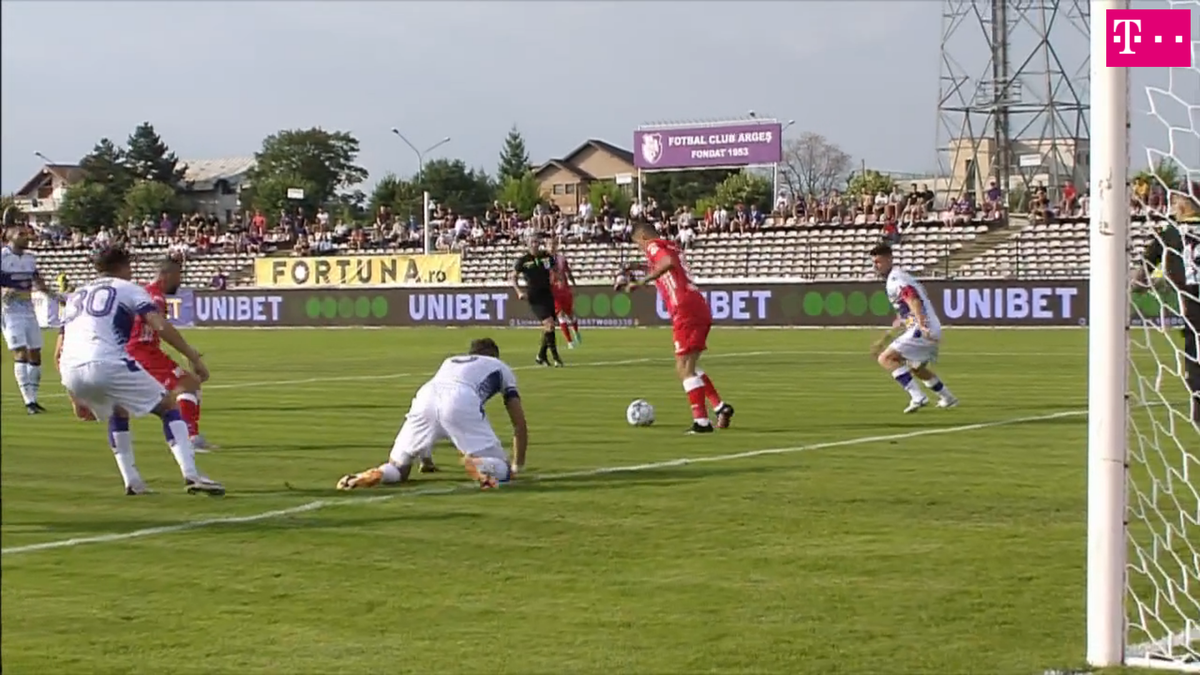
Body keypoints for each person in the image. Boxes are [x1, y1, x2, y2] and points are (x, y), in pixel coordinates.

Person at [58, 246, 224, 496]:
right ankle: (191, 474)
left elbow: (59, 348)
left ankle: (133, 482)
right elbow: (159, 325)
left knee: (118, 410)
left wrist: (73, 395)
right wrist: (193, 357)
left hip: (70, 367)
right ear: (125, 266)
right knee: (168, 406)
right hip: (106, 361)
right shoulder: (130, 289)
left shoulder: (76, 295)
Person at [336, 338, 528, 491]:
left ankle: (371, 475)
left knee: (398, 469)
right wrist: (516, 467)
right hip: (461, 399)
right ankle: (478, 464)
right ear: (495, 355)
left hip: (425, 396)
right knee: (502, 471)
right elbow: (519, 424)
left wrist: (426, 461)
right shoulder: (500, 367)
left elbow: (435, 416)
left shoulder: (450, 361)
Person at [625, 220, 734, 433]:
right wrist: (636, 268)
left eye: (638, 243)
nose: (640, 248)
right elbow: (667, 265)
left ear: (643, 237)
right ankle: (720, 407)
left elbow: (666, 262)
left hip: (684, 308)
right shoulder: (670, 244)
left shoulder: (655, 246)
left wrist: (641, 281)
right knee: (690, 367)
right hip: (696, 305)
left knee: (683, 368)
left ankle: (701, 422)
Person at [127, 256, 216, 451]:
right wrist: (191, 355)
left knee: (187, 384)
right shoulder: (154, 297)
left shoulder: (143, 293)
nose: (180, 281)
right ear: (166, 275)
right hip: (142, 352)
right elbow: (161, 328)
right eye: (179, 275)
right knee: (187, 385)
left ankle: (189, 436)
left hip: (140, 351)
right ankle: (190, 439)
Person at [868, 244, 958, 413]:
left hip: (922, 328)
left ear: (889, 259)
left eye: (878, 262)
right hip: (928, 327)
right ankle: (948, 398)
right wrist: (884, 339)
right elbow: (904, 315)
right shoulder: (899, 277)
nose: (875, 266)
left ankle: (917, 396)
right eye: (873, 262)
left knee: (886, 359)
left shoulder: (896, 279)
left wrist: (922, 324)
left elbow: (913, 299)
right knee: (916, 367)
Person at [1134, 193, 1200, 424]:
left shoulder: (1172, 230)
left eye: (1174, 204)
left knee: (1194, 348)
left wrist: (1139, 284)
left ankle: (1198, 401)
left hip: (1191, 298)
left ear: (1182, 206)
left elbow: (1149, 259)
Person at [1, 225, 62, 414]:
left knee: (36, 353)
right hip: (9, 311)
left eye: (27, 234)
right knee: (21, 353)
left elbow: (39, 282)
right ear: (9, 237)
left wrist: (57, 297)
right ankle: (29, 402)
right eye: (21, 234)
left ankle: (34, 399)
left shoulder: (30, 259)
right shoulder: (2, 256)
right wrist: (3, 291)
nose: (26, 237)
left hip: (29, 310)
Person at [510, 235, 562, 367]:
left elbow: (555, 269)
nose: (535, 244)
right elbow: (513, 277)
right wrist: (519, 292)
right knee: (549, 324)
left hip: (547, 294)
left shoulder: (546, 257)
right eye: (532, 242)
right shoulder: (523, 260)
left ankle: (541, 356)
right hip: (535, 297)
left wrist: (556, 279)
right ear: (528, 244)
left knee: (549, 327)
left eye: (537, 242)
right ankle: (556, 357)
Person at [548, 237, 580, 348]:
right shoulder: (544, 261)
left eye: (553, 244)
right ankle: (569, 341)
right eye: (550, 244)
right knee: (560, 315)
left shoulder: (561, 258)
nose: (552, 247)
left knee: (570, 314)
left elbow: (568, 271)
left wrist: (573, 283)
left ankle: (576, 332)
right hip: (554, 291)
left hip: (565, 290)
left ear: (556, 246)